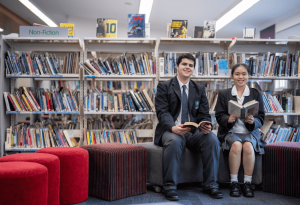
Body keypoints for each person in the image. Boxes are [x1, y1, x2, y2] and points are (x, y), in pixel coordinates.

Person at [155, 53, 223, 201]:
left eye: (191, 65)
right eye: (184, 64)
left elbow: (204, 114)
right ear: (177, 66)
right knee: (175, 140)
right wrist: (173, 127)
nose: (187, 67)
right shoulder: (164, 86)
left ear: (193, 69)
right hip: (170, 130)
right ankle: (170, 187)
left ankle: (210, 185)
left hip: (193, 133)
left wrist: (206, 125)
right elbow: (162, 112)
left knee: (211, 138)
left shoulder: (198, 89)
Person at [215, 63, 266, 198]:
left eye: (244, 74)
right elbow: (219, 116)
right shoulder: (224, 94)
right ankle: (234, 183)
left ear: (248, 76)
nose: (240, 77)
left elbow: (261, 118)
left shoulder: (256, 93)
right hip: (231, 132)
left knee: (248, 146)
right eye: (237, 74)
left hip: (250, 133)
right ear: (232, 76)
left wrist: (253, 122)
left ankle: (247, 183)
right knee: (237, 145)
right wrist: (228, 119)